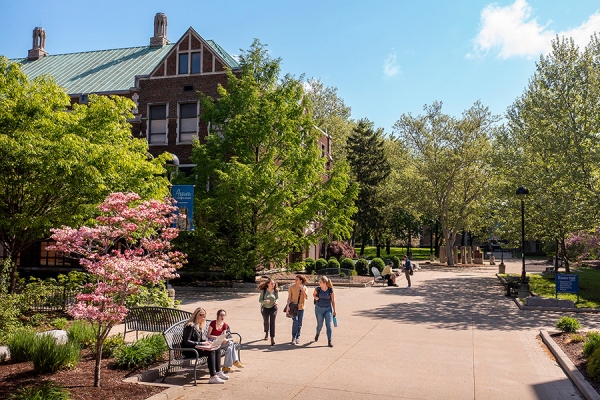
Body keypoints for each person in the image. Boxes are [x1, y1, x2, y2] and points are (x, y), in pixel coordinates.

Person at [181, 307, 228, 384]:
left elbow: (199, 339)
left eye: (204, 317)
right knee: (211, 352)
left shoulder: (198, 325)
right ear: (197, 315)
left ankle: (218, 372)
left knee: (216, 348)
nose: (203, 319)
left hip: (197, 348)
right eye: (202, 316)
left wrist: (207, 342)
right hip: (190, 350)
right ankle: (213, 377)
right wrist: (202, 343)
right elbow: (187, 341)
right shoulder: (190, 326)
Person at [313, 276, 336, 347]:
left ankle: (329, 340)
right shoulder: (318, 289)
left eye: (320, 282)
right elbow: (314, 294)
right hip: (319, 308)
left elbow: (333, 300)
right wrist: (315, 297)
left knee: (329, 325)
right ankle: (317, 333)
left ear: (325, 283)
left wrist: (334, 310)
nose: (319, 283)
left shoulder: (330, 290)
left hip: (328, 309)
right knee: (320, 324)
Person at [286, 274, 309, 345]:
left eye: (297, 280)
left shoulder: (304, 288)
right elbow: (289, 297)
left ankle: (298, 337)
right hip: (293, 308)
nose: (295, 281)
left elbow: (306, 297)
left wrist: (302, 290)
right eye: (295, 280)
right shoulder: (291, 287)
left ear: (301, 281)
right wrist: (287, 306)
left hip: (301, 308)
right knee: (295, 321)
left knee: (299, 323)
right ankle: (293, 337)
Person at [258, 277, 278, 346]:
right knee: (266, 322)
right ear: (268, 284)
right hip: (265, 308)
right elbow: (260, 300)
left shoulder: (275, 291)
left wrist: (276, 301)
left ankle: (272, 338)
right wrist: (265, 301)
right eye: (272, 283)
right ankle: (266, 332)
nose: (273, 284)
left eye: (274, 283)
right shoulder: (264, 291)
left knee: (272, 322)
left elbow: (277, 298)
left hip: (273, 308)